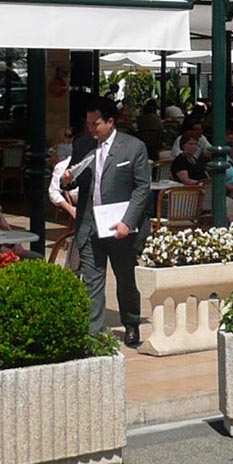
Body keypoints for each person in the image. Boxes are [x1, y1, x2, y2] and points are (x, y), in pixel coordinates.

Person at [62, 99, 152, 345]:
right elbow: (73, 178)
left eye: (96, 124)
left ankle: (131, 322)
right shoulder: (83, 145)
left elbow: (143, 187)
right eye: (89, 123)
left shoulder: (133, 148)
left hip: (120, 225)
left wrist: (128, 221)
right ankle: (94, 334)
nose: (91, 128)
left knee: (125, 278)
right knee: (92, 279)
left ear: (110, 122)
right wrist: (67, 180)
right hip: (90, 223)